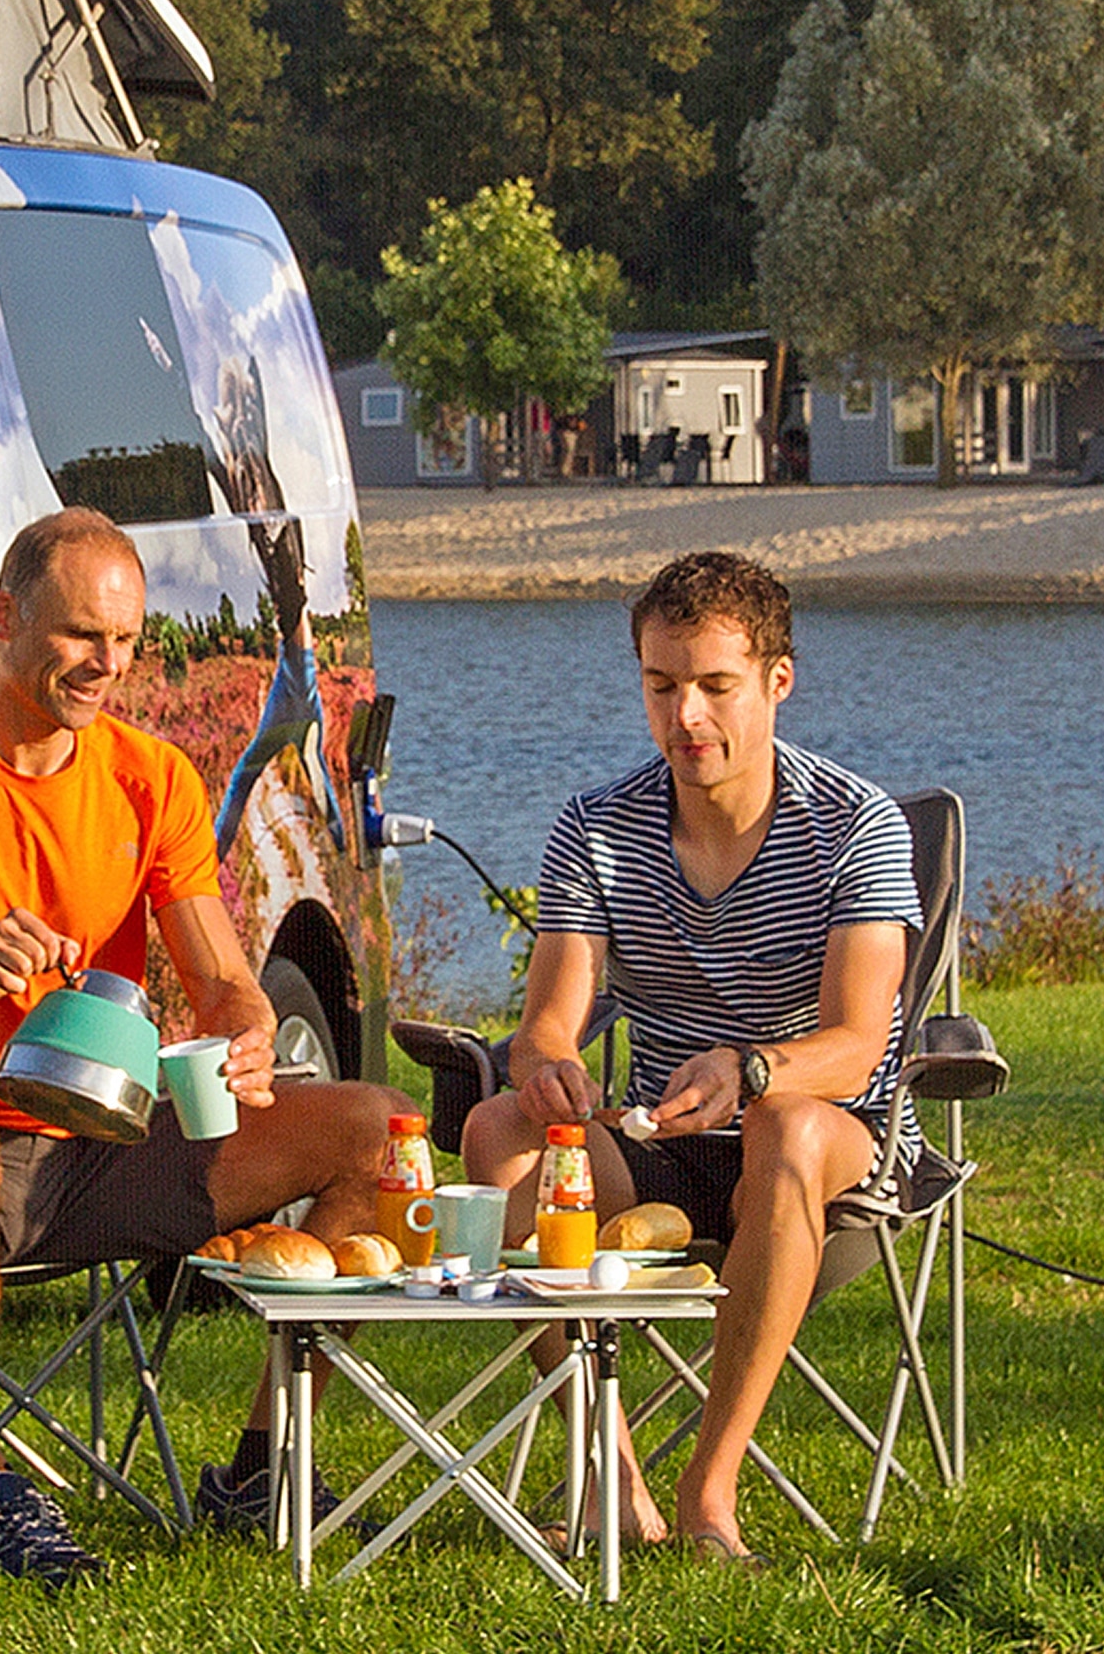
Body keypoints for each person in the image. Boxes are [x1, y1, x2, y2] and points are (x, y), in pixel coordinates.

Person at [0, 506, 399, 1586]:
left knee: (367, 1127)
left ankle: (262, 1468)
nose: (105, 666)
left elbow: (217, 973)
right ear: (6, 615)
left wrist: (249, 1023)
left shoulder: (149, 777)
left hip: (94, 1136)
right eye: (81, 636)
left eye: (124, 642)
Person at [457, 549, 918, 1559]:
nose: (686, 717)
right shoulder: (596, 824)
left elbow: (854, 1043)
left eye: (714, 685)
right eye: (662, 687)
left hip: (827, 1146)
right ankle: (615, 1482)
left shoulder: (854, 824)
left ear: (775, 682)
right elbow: (547, 1019)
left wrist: (749, 1066)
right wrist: (544, 1068)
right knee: (499, 1126)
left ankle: (711, 1490)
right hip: (663, 1141)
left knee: (786, 1123)